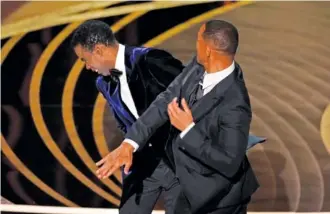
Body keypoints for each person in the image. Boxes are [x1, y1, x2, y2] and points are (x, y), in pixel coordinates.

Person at [96, 20, 260, 214]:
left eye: (198, 39)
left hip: (218, 201)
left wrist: (188, 129)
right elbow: (165, 99)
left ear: (208, 50)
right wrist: (129, 143)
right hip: (186, 189)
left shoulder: (236, 103)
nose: (195, 43)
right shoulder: (198, 65)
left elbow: (228, 163)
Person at [71, 20, 184, 214]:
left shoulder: (151, 60)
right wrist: (129, 149)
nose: (87, 67)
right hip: (142, 164)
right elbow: (125, 124)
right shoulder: (103, 83)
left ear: (98, 50)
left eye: (84, 59)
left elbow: (193, 95)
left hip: (179, 160)